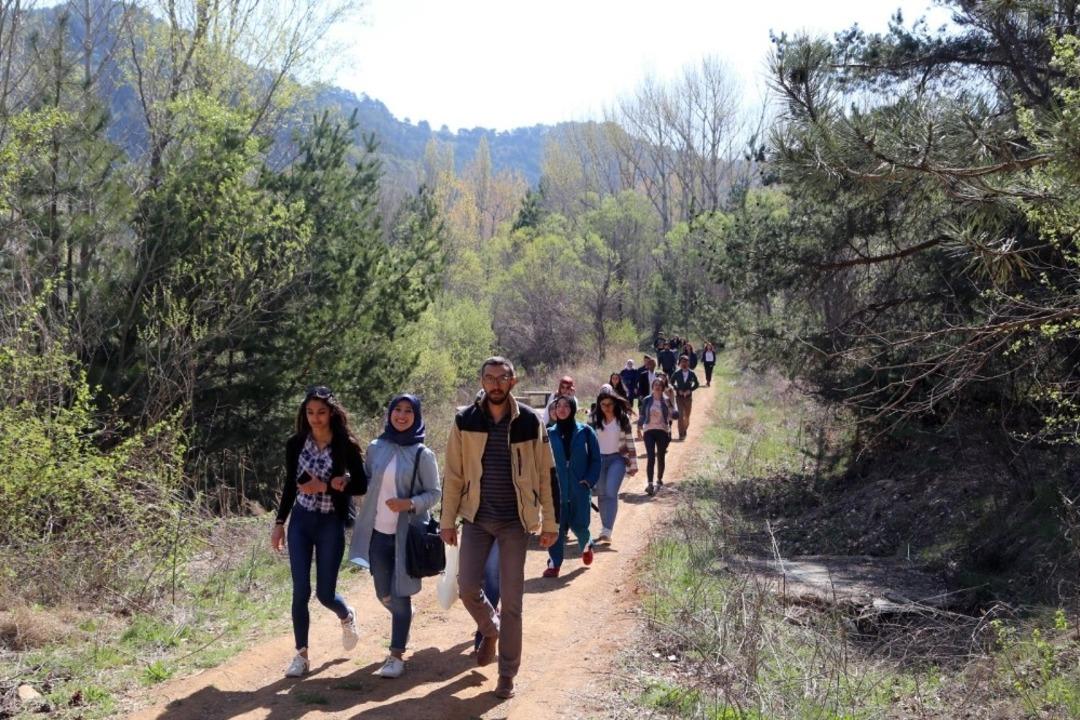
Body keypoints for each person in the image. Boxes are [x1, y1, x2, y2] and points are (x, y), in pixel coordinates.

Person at [440, 357, 558, 700]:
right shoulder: (465, 420)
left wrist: (549, 523)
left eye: (501, 378)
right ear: (481, 381)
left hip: (514, 523)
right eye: (489, 378)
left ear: (512, 382)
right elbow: (453, 475)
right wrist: (447, 521)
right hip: (476, 519)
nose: (494, 384)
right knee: (466, 587)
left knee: (513, 602)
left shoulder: (531, 422)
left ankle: (507, 674)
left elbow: (545, 476)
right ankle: (489, 630)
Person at [272, 385, 368, 678]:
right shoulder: (296, 443)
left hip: (330, 521)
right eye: (310, 412)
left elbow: (361, 485)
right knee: (300, 591)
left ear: (331, 413)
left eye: (321, 412)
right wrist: (279, 523)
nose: (315, 418)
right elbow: (291, 484)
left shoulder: (345, 445)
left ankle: (346, 614)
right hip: (301, 521)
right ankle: (301, 655)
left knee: (325, 594)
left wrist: (327, 485)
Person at [348, 394, 441, 679]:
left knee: (399, 598)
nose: (401, 415)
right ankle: (403, 616)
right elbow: (364, 480)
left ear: (416, 416)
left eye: (408, 411)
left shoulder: (422, 454)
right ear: (389, 414)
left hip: (405, 536)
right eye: (397, 410)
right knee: (382, 593)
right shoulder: (376, 447)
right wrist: (345, 481)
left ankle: (396, 655)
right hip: (377, 534)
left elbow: (435, 493)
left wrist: (409, 503)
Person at [543, 395, 600, 577]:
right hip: (556, 489)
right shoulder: (548, 433)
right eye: (558, 405)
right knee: (556, 527)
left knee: (579, 525)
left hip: (579, 488)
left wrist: (588, 480)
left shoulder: (586, 432)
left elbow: (596, 459)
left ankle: (586, 544)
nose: (562, 409)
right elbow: (539, 460)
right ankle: (554, 564)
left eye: (567, 406)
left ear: (573, 409)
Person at [589, 388, 638, 545]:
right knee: (602, 493)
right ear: (599, 405)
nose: (606, 407)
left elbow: (630, 442)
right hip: (598, 460)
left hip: (617, 458)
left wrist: (633, 464)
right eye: (603, 404)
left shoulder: (623, 419)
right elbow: (585, 440)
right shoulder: (593, 418)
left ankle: (607, 530)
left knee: (611, 491)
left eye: (609, 404)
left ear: (615, 403)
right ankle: (605, 528)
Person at [638, 376, 675, 496]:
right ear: (652, 387)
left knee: (660, 457)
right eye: (655, 385)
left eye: (660, 385)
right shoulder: (647, 400)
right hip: (649, 430)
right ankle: (650, 484)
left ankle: (659, 480)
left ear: (663, 388)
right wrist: (639, 427)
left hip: (662, 431)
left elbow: (673, 414)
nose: (658, 387)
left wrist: (674, 412)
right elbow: (643, 415)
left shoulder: (666, 400)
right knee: (651, 457)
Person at [670, 355, 701, 441]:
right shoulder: (676, 373)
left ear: (688, 363)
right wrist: (677, 389)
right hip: (679, 398)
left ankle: (684, 429)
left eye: (686, 362)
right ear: (680, 363)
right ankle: (681, 433)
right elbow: (671, 382)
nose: (684, 364)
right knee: (680, 416)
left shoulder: (692, 373)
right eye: (683, 362)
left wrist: (690, 390)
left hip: (688, 398)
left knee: (687, 416)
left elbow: (697, 384)